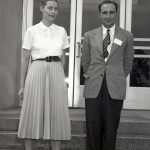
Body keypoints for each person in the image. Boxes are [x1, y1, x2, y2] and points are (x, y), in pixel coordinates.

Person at [17, 0, 71, 150]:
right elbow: (25, 59)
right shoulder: (31, 30)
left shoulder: (61, 31)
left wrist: (63, 79)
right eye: (50, 8)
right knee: (31, 111)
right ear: (42, 8)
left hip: (56, 71)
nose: (53, 11)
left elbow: (63, 57)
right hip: (36, 70)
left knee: (57, 113)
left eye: (56, 9)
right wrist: (22, 86)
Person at [81, 1, 134, 150]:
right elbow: (85, 60)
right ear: (99, 15)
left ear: (116, 14)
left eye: (111, 12)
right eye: (105, 12)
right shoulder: (89, 35)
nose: (108, 15)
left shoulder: (127, 36)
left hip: (115, 86)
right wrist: (90, 74)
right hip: (93, 86)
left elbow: (128, 61)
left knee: (111, 128)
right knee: (92, 126)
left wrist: (118, 76)